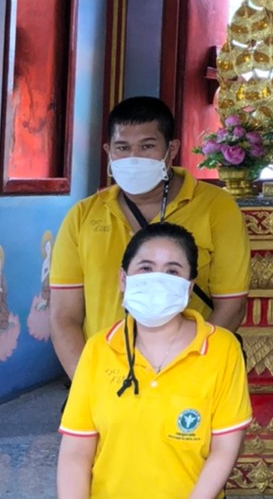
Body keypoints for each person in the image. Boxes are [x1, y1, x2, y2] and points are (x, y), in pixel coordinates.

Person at [19, 223, 251, 499]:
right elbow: (76, 451)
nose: (158, 278)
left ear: (190, 285)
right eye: (146, 267)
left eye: (172, 270)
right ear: (124, 279)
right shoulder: (98, 350)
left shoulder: (220, 350)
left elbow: (224, 450)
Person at [50, 97, 250, 380]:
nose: (134, 157)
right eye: (122, 148)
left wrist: (185, 374)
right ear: (108, 151)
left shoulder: (217, 208)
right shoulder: (82, 216)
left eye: (147, 146)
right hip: (105, 378)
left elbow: (232, 306)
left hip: (186, 377)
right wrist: (90, 386)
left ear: (172, 149)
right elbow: (64, 317)